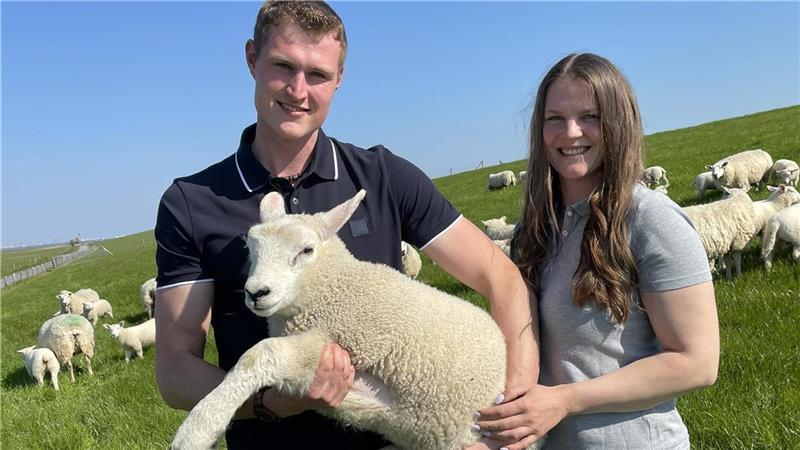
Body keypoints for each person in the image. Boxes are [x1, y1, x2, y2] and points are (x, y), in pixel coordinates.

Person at [153, 2, 536, 449]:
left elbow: (501, 276)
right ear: (252, 59)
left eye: (317, 75)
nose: (299, 90)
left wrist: (513, 413)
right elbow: (175, 370)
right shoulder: (192, 203)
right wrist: (270, 403)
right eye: (282, 66)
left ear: (339, 80)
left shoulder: (382, 176)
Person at [474, 53, 720, 449]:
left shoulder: (649, 220)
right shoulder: (535, 231)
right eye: (555, 118)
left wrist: (563, 401)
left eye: (590, 116)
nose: (570, 133)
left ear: (618, 123)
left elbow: (697, 364)